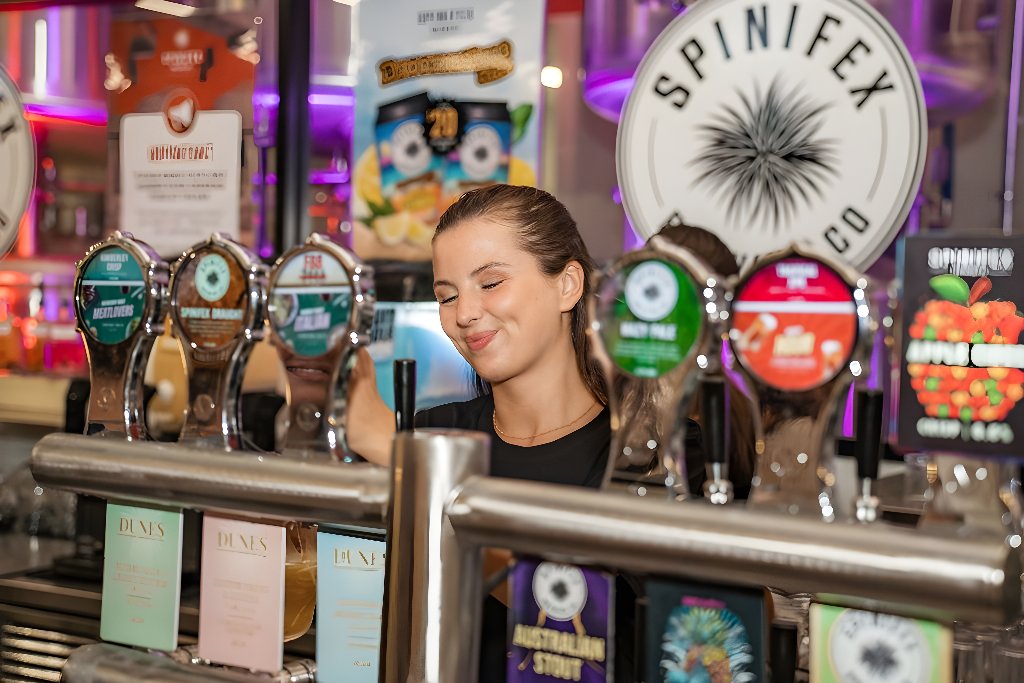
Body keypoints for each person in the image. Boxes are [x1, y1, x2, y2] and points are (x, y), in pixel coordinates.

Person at [345, 184, 629, 679]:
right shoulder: (434, 433)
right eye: (447, 296)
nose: (464, 314)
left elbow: (602, 630)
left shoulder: (637, 458)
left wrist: (407, 463)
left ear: (567, 285)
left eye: (491, 283)